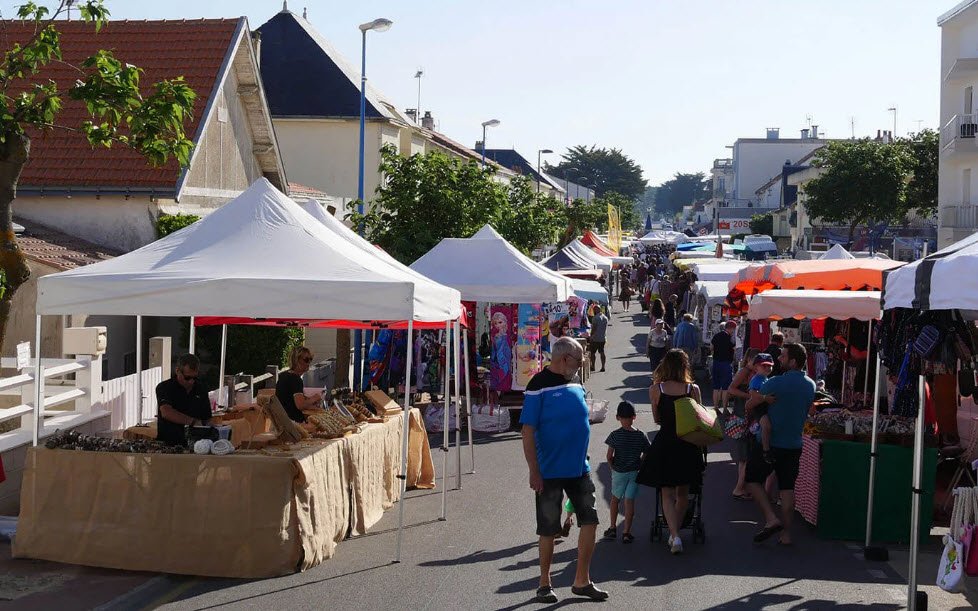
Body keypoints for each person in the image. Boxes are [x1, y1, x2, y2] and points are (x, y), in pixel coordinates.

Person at [520, 337, 608, 603]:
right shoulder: (538, 386)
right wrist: (534, 470)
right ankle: (544, 583)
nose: (582, 365)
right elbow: (527, 431)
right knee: (548, 528)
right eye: (579, 360)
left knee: (590, 521)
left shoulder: (575, 381)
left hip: (579, 467)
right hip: (549, 470)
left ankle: (582, 580)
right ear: (564, 359)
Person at [745, 343, 817, 546]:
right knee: (787, 489)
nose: (779, 359)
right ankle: (786, 535)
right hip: (794, 444)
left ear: (793, 361)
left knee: (752, 479)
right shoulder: (810, 385)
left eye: (783, 356)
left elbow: (751, 404)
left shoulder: (774, 383)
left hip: (771, 443)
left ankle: (771, 518)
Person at [637, 349, 705, 555]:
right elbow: (700, 417)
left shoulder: (656, 389)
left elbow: (657, 418)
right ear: (685, 366)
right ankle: (675, 533)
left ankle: (674, 535)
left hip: (665, 442)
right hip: (687, 443)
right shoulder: (693, 389)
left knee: (666, 492)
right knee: (683, 492)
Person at [603, 401, 650, 544]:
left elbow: (609, 456)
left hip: (619, 472)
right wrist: (640, 463)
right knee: (629, 502)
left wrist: (612, 466)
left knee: (615, 500)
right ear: (634, 417)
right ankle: (626, 532)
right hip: (634, 472)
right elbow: (647, 452)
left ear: (618, 417)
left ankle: (612, 528)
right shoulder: (640, 435)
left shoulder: (615, 435)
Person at [155, 354, 213, 446]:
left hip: (195, 446)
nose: (191, 381)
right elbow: (166, 412)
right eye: (187, 378)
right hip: (168, 445)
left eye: (194, 378)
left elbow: (207, 418)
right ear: (177, 371)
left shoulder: (201, 388)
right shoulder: (164, 387)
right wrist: (193, 422)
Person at [726, 349, 760, 499]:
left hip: (747, 417)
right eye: (755, 362)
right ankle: (739, 488)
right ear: (748, 360)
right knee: (744, 457)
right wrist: (749, 396)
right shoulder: (744, 372)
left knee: (745, 456)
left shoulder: (752, 373)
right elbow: (731, 389)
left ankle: (741, 487)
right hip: (742, 417)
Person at [276, 346, 321, 423]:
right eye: (306, 360)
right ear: (296, 360)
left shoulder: (284, 375)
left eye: (310, 359)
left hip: (281, 420)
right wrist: (315, 397)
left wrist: (308, 400)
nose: (309, 363)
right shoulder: (295, 379)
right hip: (293, 424)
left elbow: (289, 399)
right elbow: (301, 405)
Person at [747, 353, 776, 462]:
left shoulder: (766, 378)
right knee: (767, 426)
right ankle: (766, 450)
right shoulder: (756, 379)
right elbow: (752, 393)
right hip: (759, 408)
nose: (768, 368)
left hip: (765, 406)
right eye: (764, 366)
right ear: (756, 367)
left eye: (770, 366)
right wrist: (764, 397)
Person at [711, 321, 737, 411]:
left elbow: (711, 348)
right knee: (726, 388)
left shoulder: (716, 336)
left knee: (716, 387)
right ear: (731, 328)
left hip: (716, 362)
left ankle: (715, 407)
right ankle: (725, 408)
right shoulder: (731, 338)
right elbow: (734, 350)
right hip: (726, 364)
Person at [589, 308, 609, 372]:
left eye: (594, 310)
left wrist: (591, 335)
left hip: (595, 338)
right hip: (602, 338)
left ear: (597, 310)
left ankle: (593, 366)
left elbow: (594, 328)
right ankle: (603, 367)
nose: (593, 311)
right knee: (602, 352)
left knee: (592, 353)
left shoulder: (595, 318)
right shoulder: (605, 318)